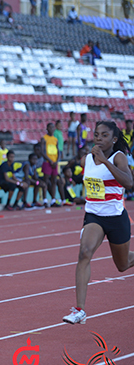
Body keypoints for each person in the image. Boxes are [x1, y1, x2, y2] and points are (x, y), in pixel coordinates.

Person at [63, 121, 134, 324]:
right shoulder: (87, 159)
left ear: (114, 139)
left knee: (122, 264)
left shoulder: (118, 157)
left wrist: (105, 161)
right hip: (94, 215)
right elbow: (85, 180)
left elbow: (129, 183)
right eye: (96, 135)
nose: (99, 139)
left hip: (116, 217)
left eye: (104, 135)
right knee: (84, 252)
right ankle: (79, 310)